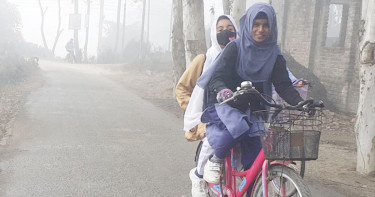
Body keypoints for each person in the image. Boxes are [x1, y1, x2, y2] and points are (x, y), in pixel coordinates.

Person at [195, 2, 305, 191]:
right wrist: (223, 91)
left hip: (256, 108)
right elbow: (217, 78)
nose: (261, 29)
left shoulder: (274, 54)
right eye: (256, 24)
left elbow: (283, 85)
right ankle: (216, 159)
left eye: (265, 25)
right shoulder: (235, 48)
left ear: (272, 26)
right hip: (228, 104)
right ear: (248, 25)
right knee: (237, 126)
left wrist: (301, 103)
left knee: (254, 162)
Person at [175, 15, 238, 197]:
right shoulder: (203, 60)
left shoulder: (240, 59)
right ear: (213, 33)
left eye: (229, 27)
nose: (225, 32)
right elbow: (182, 88)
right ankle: (198, 178)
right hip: (209, 117)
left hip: (233, 114)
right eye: (220, 30)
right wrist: (197, 115)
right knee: (211, 141)